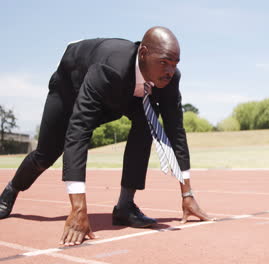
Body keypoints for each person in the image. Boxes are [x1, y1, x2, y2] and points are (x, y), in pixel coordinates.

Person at [0, 26, 215, 246]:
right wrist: (78, 208)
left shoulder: (168, 79)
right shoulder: (108, 67)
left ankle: (125, 206)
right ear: (143, 53)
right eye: (164, 62)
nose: (170, 70)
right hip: (70, 87)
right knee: (46, 154)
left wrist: (187, 193)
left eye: (175, 64)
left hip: (123, 95)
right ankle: (12, 189)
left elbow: (175, 131)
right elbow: (78, 131)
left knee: (146, 123)